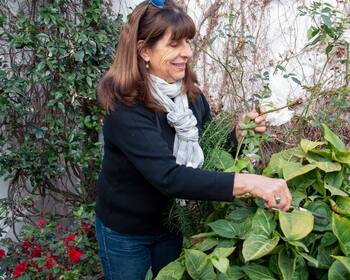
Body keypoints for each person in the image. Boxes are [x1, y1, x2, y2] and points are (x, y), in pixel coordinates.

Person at [94, 0, 292, 279]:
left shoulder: (189, 95)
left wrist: (237, 134)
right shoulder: (126, 107)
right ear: (144, 50)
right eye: (174, 44)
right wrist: (251, 183)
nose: (187, 52)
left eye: (188, 42)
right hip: (126, 231)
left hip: (172, 223)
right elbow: (169, 178)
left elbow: (206, 145)